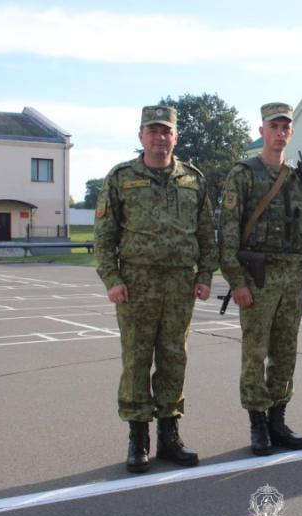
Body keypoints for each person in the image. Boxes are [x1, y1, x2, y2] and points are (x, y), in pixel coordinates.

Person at [94, 105, 217, 473]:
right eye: (153, 131)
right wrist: (112, 279)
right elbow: (104, 235)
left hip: (180, 282)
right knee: (136, 359)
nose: (160, 137)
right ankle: (138, 438)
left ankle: (169, 434)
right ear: (141, 136)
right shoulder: (121, 178)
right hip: (137, 283)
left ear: (175, 137)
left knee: (173, 357)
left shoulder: (193, 179)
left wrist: (205, 274)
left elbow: (205, 232)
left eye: (166, 131)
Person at [218, 102, 302, 456]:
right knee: (255, 352)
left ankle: (278, 419)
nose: (280, 132)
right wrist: (236, 281)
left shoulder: (296, 177)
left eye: (285, 127)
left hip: (292, 275)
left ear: (291, 132)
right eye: (273, 126)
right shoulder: (244, 173)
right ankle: (258, 423)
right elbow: (228, 232)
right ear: (262, 130)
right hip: (257, 277)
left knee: (285, 351)